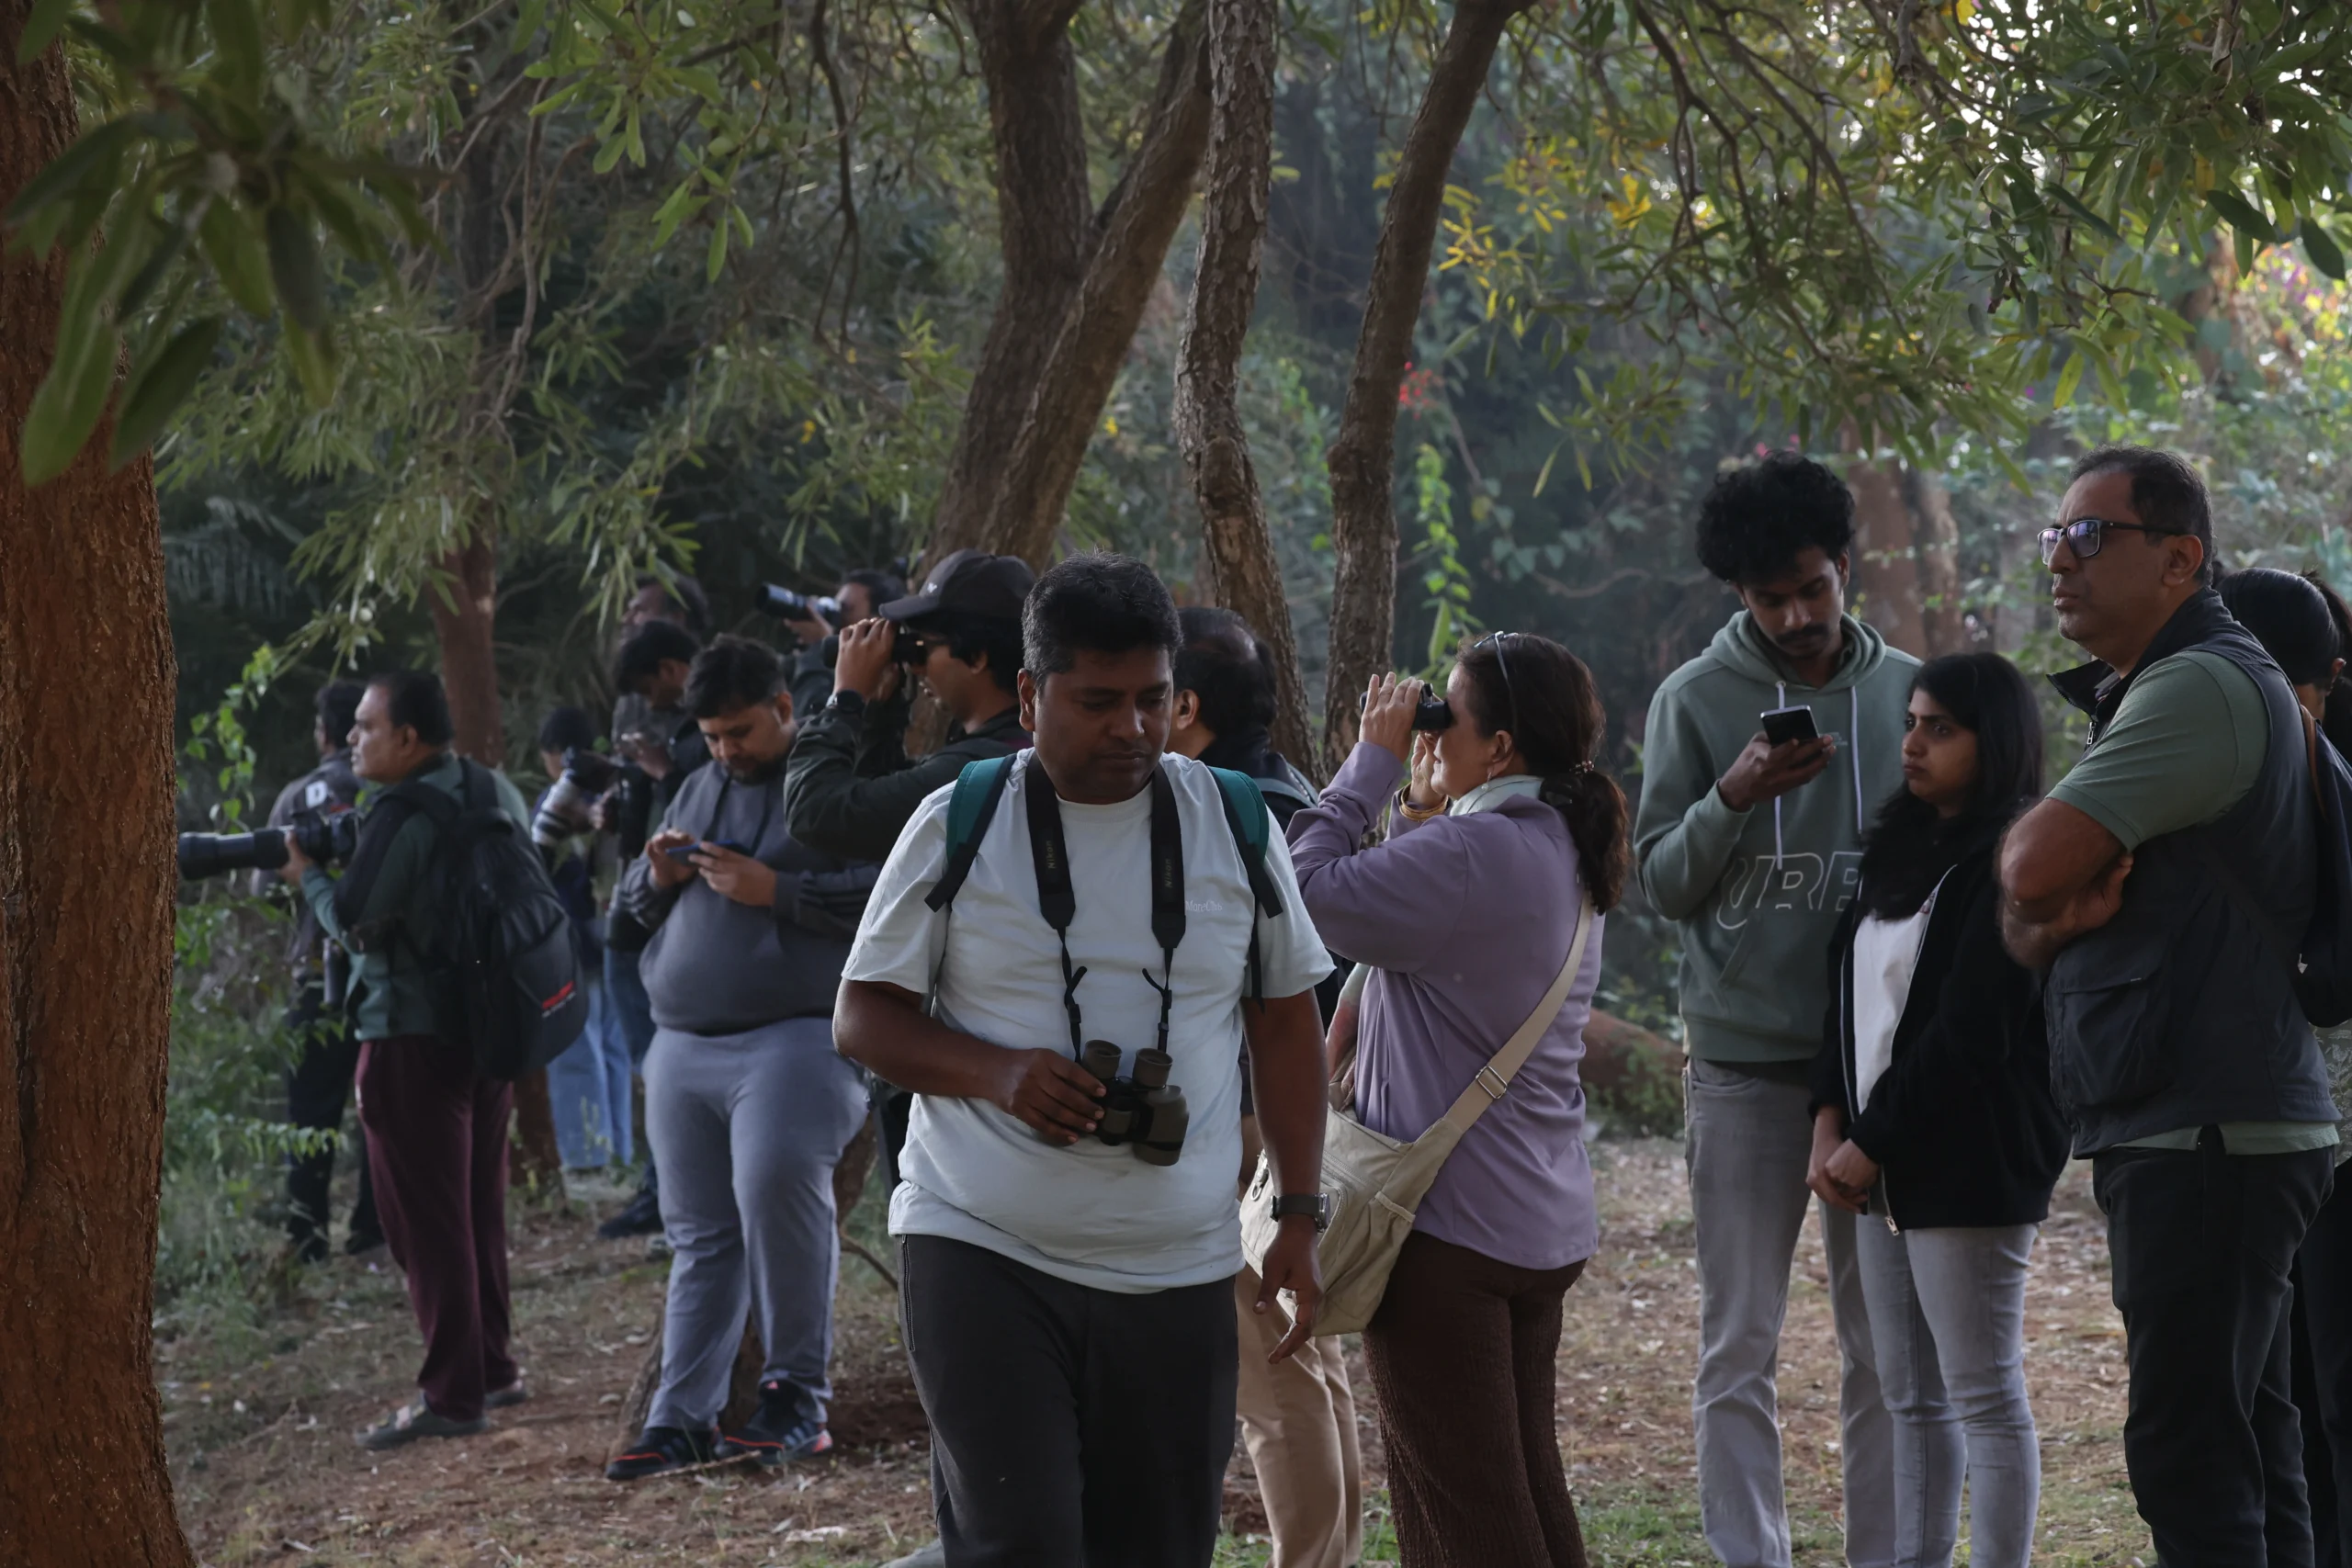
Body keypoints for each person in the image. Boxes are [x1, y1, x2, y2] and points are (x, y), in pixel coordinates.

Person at [833, 554, 1334, 1568]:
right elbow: (862, 1016)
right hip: (983, 1248)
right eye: (1098, 702)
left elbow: (1286, 1026)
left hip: (1180, 1265)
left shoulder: (1235, 821)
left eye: (1154, 699)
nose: (1132, 728)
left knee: (1157, 1549)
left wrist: (1296, 1210)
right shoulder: (959, 819)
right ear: (1030, 696)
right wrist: (998, 1073)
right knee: (1021, 1545)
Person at [1999, 448, 2337, 1563]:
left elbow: (2029, 869)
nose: (2061, 560)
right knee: (2252, 1452)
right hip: (2216, 1121)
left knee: (2190, 1459)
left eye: (2090, 536)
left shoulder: (2196, 685)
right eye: (2054, 536)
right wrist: (2040, 912)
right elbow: (2031, 915)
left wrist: (2037, 900)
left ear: (2180, 558)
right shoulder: (2170, 682)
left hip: (2208, 1129)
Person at [1286, 635, 1627, 1568]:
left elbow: (1303, 890)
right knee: (1519, 1490)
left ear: (1501, 746)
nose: (1428, 730)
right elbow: (1422, 925)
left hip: (1443, 1233)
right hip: (1531, 1219)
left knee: (1472, 1515)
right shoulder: (1556, 839)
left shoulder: (1476, 848)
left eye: (1446, 717)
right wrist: (1419, 798)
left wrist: (1370, 765)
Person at [1633, 450, 1907, 1568]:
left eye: (1811, 588)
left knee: (1882, 1346)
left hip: (1879, 1070)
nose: (1795, 617)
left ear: (1846, 564)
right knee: (1738, 1341)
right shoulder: (1694, 702)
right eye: (1767, 599)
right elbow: (1658, 883)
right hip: (1745, 1066)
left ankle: (1886, 1553)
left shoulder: (1908, 696)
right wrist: (1731, 796)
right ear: (1737, 596)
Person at [1804, 653, 2067, 1568]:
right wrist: (1829, 1120)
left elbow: (1973, 1030)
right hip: (1876, 1161)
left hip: (1969, 1160)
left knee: (1983, 1396)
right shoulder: (1899, 846)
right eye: (1912, 723)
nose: (1913, 743)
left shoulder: (2017, 856)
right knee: (1910, 1398)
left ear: (1994, 743)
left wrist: (1870, 1141)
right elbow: (1843, 996)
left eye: (1941, 729)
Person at [604, 637, 876, 1480]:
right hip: (684, 1041)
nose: (727, 750)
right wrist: (657, 878)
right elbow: (630, 906)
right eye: (714, 735)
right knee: (700, 1236)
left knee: (777, 1197)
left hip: (796, 1036)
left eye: (741, 731)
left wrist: (779, 891)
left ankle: (796, 1399)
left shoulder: (831, 782)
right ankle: (680, 1416)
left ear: (785, 708)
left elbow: (890, 894)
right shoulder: (696, 782)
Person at [279, 671, 534, 1450]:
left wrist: (309, 877)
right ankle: (493, 1366)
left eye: (365, 726)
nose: (351, 739)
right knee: (476, 1206)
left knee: (426, 1221)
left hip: (408, 1036)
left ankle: (452, 1394)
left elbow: (357, 922)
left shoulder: (400, 809)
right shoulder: (494, 789)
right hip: (492, 1028)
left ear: (408, 739)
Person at [1167, 604, 1357, 1568]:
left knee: (1271, 1382)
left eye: (1148, 693)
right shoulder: (1291, 795)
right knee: (1308, 1358)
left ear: (1185, 705)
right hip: (1294, 1121)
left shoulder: (1219, 810)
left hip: (1251, 1120)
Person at [785, 548, 1035, 1196]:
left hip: (955, 1070)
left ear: (977, 658)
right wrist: (883, 710)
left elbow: (818, 813)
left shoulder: (973, 771)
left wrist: (844, 698)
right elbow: (880, 828)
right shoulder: (1003, 752)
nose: (915, 666)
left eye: (923, 649)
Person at [2218, 566, 2352, 1568]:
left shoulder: (2319, 769)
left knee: (2326, 1383)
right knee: (2294, 1387)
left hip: (2321, 1115)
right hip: (2277, 1116)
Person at [599, 615, 715, 1238]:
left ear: (672, 670)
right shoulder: (680, 734)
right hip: (638, 909)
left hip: (669, 920)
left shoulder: (700, 739)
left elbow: (696, 817)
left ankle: (668, 1191)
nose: (652, 703)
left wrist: (661, 773)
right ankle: (661, 1187)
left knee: (659, 1062)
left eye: (651, 688)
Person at [259, 678, 381, 1262]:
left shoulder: (294, 797)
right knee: (379, 1106)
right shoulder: (381, 791)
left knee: (310, 1110)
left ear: (325, 733)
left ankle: (306, 1236)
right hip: (378, 971)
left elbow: (265, 888)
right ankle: (372, 1229)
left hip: (313, 971)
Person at [534, 705, 632, 1172]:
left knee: (576, 1050)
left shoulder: (557, 803)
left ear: (554, 754)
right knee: (612, 1050)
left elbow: (538, 862)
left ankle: (588, 1155)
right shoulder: (616, 794)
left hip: (570, 943)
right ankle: (619, 1151)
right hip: (611, 938)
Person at [780, 567, 909, 715]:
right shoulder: (803, 661)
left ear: (877, 622)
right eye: (835, 606)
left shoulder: (886, 680)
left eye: (846, 610)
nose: (837, 617)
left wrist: (819, 648)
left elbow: (812, 717)